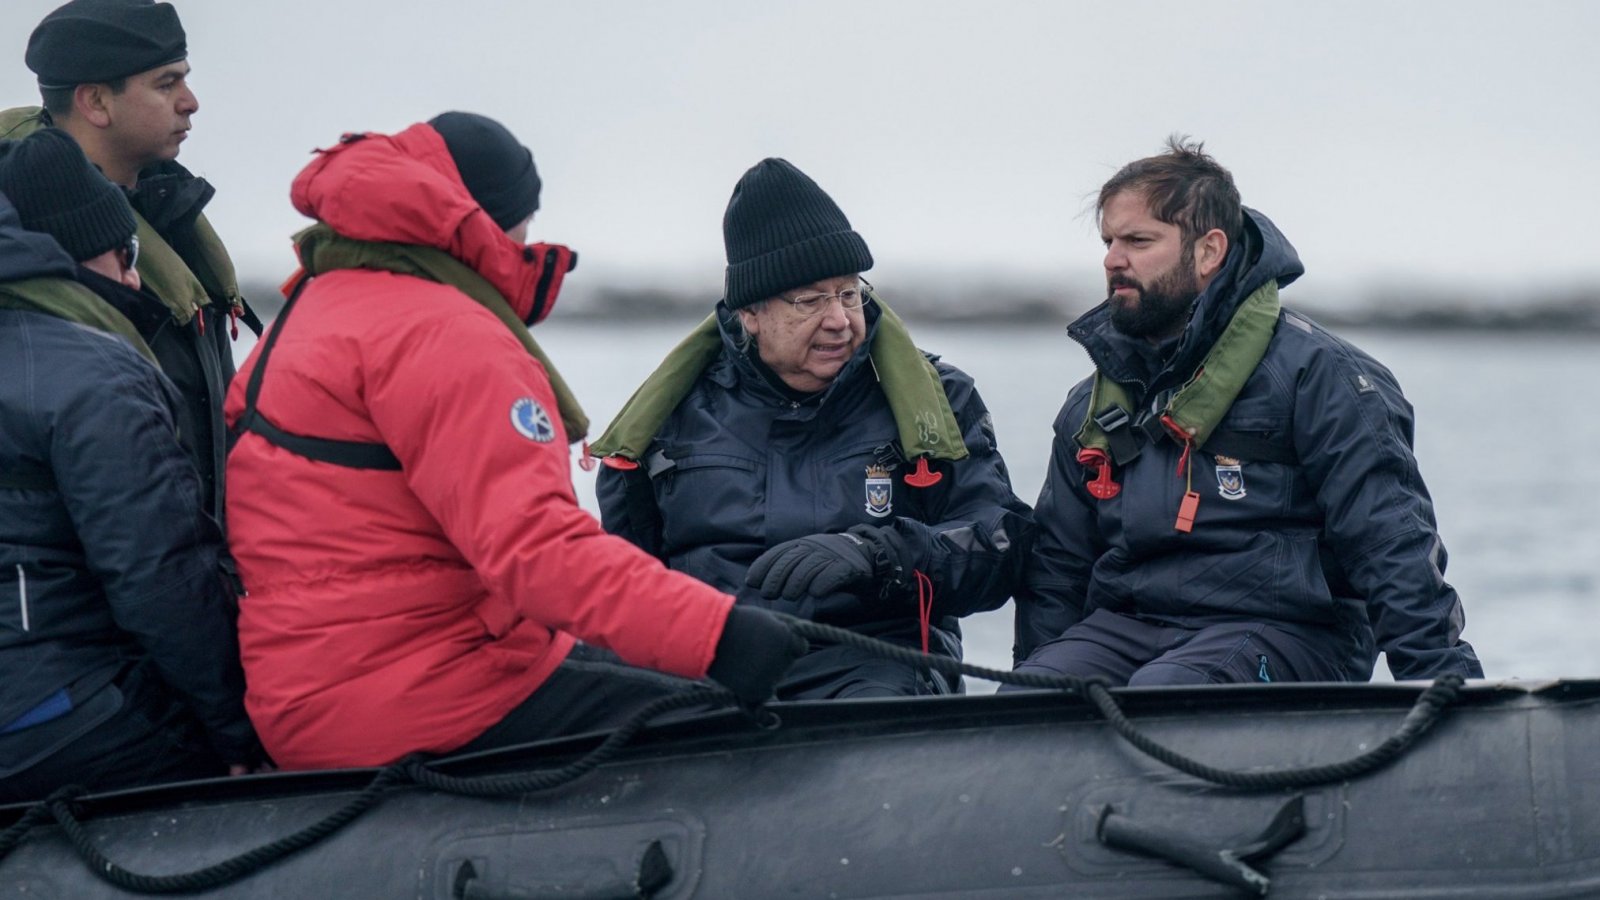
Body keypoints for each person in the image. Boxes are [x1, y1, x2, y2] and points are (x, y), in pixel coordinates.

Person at [224, 113, 803, 770]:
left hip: (312, 694)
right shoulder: (443, 333)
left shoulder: (319, 303)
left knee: (644, 676)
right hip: (421, 697)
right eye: (528, 216)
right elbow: (535, 551)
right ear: (490, 221)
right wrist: (720, 634)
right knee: (726, 730)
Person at [1009, 137, 1482, 687]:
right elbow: (1059, 567)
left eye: (1138, 240)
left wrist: (1448, 692)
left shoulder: (1323, 377)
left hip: (1293, 631)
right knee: (1028, 696)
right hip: (1131, 626)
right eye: (1109, 241)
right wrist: (1029, 711)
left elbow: (1391, 544)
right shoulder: (1088, 407)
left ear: (1209, 251)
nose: (1114, 259)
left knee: (1167, 695)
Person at [592, 158, 1033, 700]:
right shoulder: (668, 416)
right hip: (713, 661)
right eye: (810, 300)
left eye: (849, 294)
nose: (839, 319)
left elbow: (1001, 549)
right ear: (749, 312)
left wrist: (877, 554)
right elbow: (624, 577)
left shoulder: (936, 402)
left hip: (875, 660)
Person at [0, 129, 260, 802]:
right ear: (87, 256)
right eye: (129, 251)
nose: (137, 276)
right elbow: (160, 574)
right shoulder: (96, 375)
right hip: (48, 716)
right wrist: (235, 729)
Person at [2, 0, 256, 536]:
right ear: (96, 101)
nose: (191, 103)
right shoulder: (29, 250)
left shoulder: (171, 220)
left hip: (186, 571)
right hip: (90, 599)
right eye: (166, 84)